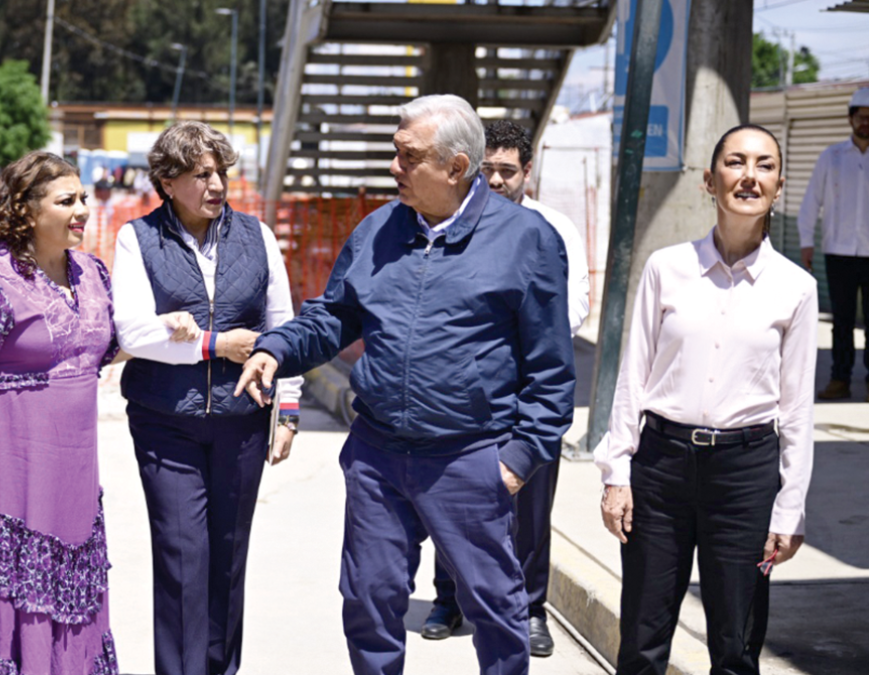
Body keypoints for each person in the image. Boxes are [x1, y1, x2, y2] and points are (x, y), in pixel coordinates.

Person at [238, 94, 575, 675]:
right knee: (368, 600)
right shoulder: (378, 230)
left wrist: (517, 460)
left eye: (407, 156)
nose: (393, 167)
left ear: (456, 167)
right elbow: (334, 317)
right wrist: (277, 348)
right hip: (378, 453)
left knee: (496, 610)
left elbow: (551, 370)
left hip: (471, 458)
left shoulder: (527, 239)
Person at [598, 124, 816, 675]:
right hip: (661, 468)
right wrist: (616, 472)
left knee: (736, 644)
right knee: (643, 638)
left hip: (746, 476)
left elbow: (796, 409)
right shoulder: (666, 269)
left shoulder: (796, 287)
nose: (749, 176)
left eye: (764, 165)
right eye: (736, 162)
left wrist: (790, 506)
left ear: (779, 183)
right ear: (709, 180)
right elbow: (633, 377)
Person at [110, 120, 302, 675]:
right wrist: (215, 344)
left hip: (243, 422)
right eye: (201, 174)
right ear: (167, 182)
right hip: (165, 423)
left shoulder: (257, 236)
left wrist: (287, 409)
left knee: (227, 557)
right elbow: (134, 334)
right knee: (182, 558)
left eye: (220, 172)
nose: (216, 184)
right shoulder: (136, 238)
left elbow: (282, 327)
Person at [0, 152, 122, 674]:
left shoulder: (93, 272)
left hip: (75, 470)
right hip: (9, 465)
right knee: (10, 593)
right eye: (67, 201)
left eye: (83, 199)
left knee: (74, 586)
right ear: (28, 211)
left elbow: (109, 346)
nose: (83, 210)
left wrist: (176, 333)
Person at [420, 120, 590, 656]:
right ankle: (448, 600)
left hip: (530, 391)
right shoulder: (450, 222)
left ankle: (530, 608)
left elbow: (575, 304)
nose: (495, 181)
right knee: (451, 498)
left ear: (527, 172)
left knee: (531, 509)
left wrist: (523, 333)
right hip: (468, 394)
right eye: (486, 169)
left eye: (506, 171)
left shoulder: (553, 228)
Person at [798, 87, 869, 400]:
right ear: (851, 118)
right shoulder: (832, 157)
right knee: (841, 319)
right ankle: (839, 379)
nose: (866, 123)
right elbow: (811, 200)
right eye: (861, 117)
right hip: (838, 250)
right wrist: (805, 241)